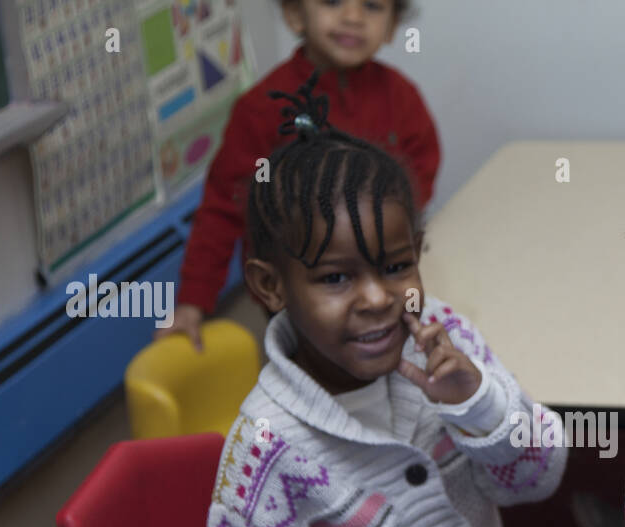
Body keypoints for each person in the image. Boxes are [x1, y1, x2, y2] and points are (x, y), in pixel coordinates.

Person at [201, 78, 625, 527]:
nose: (377, 298)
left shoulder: (444, 338)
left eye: (396, 266)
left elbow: (536, 479)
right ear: (270, 286)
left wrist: (476, 402)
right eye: (337, 277)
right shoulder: (268, 444)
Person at [163, 0, 441, 350]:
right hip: (299, 295)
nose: (353, 17)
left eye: (372, 6)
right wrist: (193, 299)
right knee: (319, 378)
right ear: (295, 14)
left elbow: (419, 175)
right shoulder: (261, 110)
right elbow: (222, 209)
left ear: (391, 26)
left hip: (380, 282)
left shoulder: (402, 98)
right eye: (332, 2)